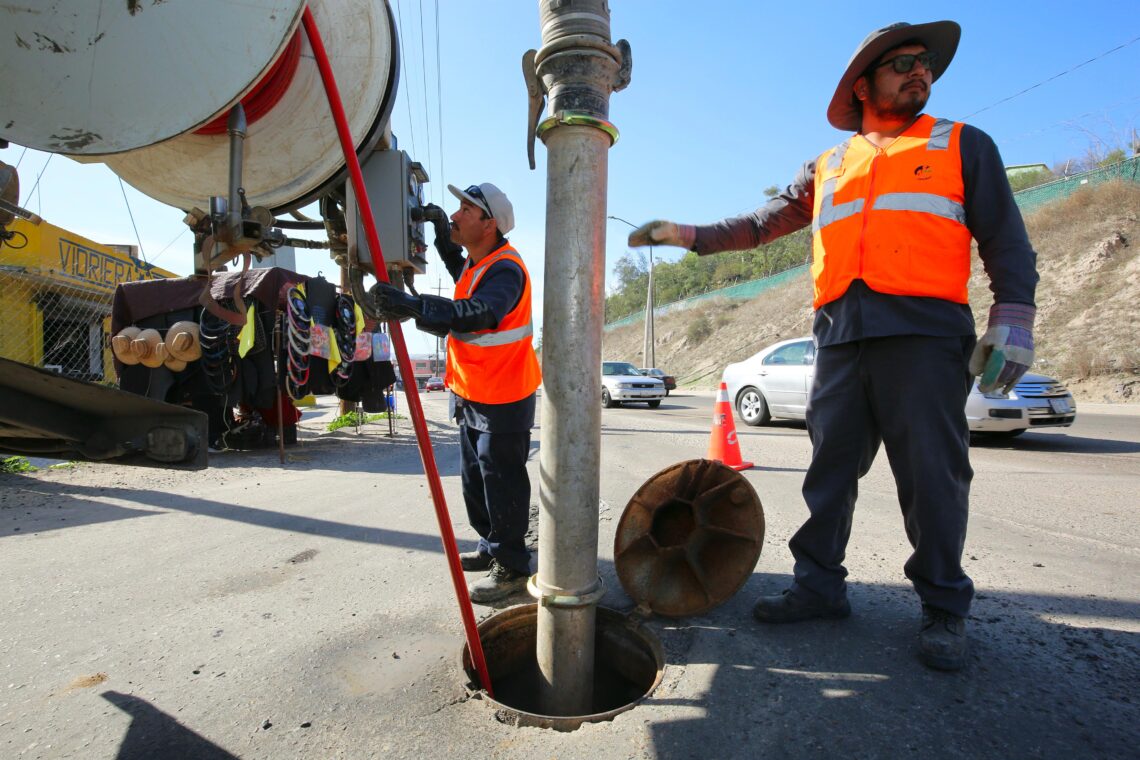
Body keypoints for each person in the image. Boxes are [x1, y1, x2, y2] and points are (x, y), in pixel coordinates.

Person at [628, 21, 1038, 671]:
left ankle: (943, 606)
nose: (920, 70)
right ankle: (819, 588)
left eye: (925, 63)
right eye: (902, 62)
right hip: (840, 339)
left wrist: (1012, 316)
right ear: (862, 84)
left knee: (933, 477)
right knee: (829, 473)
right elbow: (764, 224)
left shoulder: (963, 145)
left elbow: (1006, 240)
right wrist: (687, 233)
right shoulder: (829, 165)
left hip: (926, 337)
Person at [371, 182, 541, 604]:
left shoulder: (505, 269)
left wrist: (412, 305)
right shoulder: (476, 263)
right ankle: (491, 545)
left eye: (466, 208)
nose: (456, 213)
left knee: (501, 481)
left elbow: (479, 313)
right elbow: (454, 265)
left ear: (489, 224)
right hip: (472, 390)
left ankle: (513, 568)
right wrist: (433, 227)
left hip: (504, 394)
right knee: (475, 480)